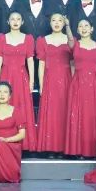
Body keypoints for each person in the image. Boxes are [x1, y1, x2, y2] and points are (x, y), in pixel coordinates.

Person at [64, 19, 96, 157]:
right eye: (80, 26)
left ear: (92, 28)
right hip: (78, 83)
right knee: (80, 115)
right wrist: (67, 25)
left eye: (86, 26)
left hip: (95, 83)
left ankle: (94, 150)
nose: (84, 28)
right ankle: (79, 150)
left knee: (94, 115)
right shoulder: (75, 44)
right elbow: (70, 39)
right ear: (77, 30)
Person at [0, 10, 36, 151]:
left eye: (18, 19)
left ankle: (24, 145)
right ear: (8, 22)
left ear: (22, 22)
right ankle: (4, 142)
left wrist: (31, 81)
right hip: (5, 76)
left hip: (21, 77)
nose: (15, 21)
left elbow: (30, 61)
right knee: (5, 105)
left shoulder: (28, 39)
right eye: (12, 19)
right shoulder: (2, 38)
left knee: (22, 107)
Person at [36, 12, 74, 154]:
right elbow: (41, 64)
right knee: (51, 113)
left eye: (60, 20)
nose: (57, 23)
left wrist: (74, 83)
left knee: (65, 112)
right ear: (50, 22)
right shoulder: (42, 40)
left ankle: (66, 148)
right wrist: (41, 85)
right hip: (50, 80)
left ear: (64, 23)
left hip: (66, 80)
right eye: (54, 20)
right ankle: (50, 148)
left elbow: (73, 63)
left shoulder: (70, 40)